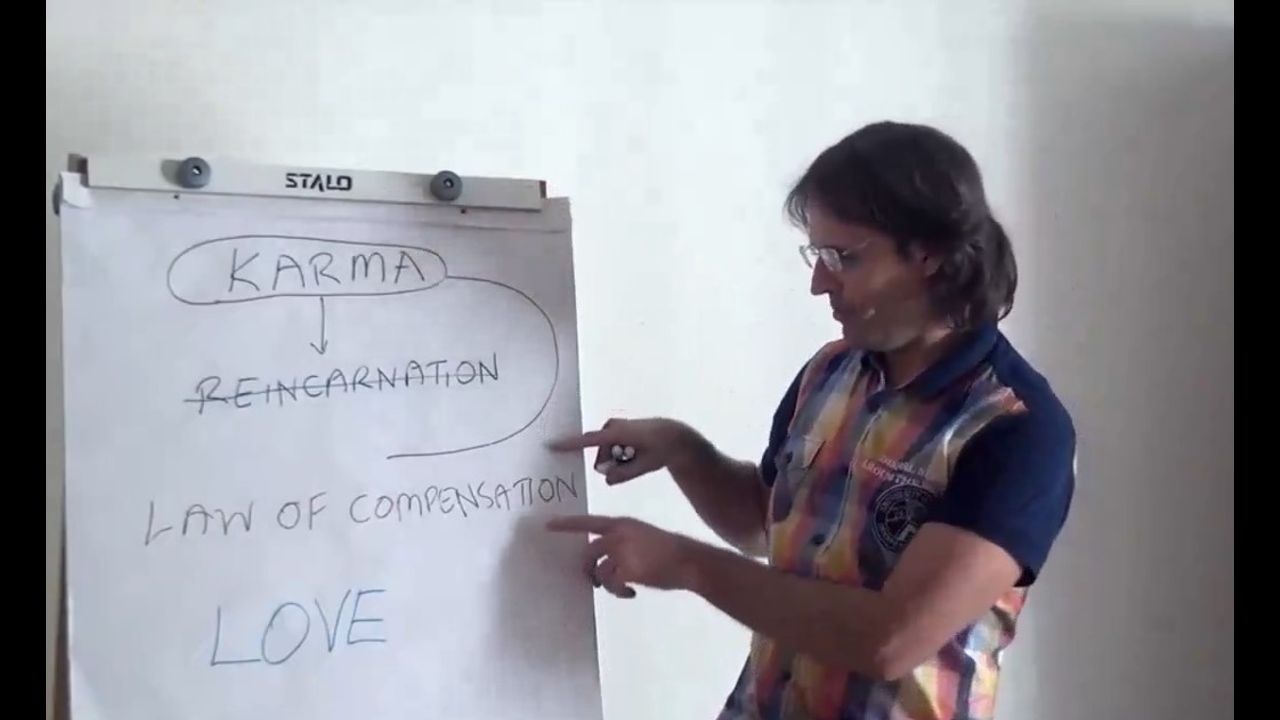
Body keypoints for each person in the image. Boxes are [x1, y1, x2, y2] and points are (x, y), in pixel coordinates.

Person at [545, 121, 1076, 720]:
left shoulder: (1016, 429)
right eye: (817, 254)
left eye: (843, 257)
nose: (819, 282)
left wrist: (687, 564)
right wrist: (682, 449)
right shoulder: (831, 370)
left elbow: (890, 640)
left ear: (929, 254)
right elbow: (763, 524)